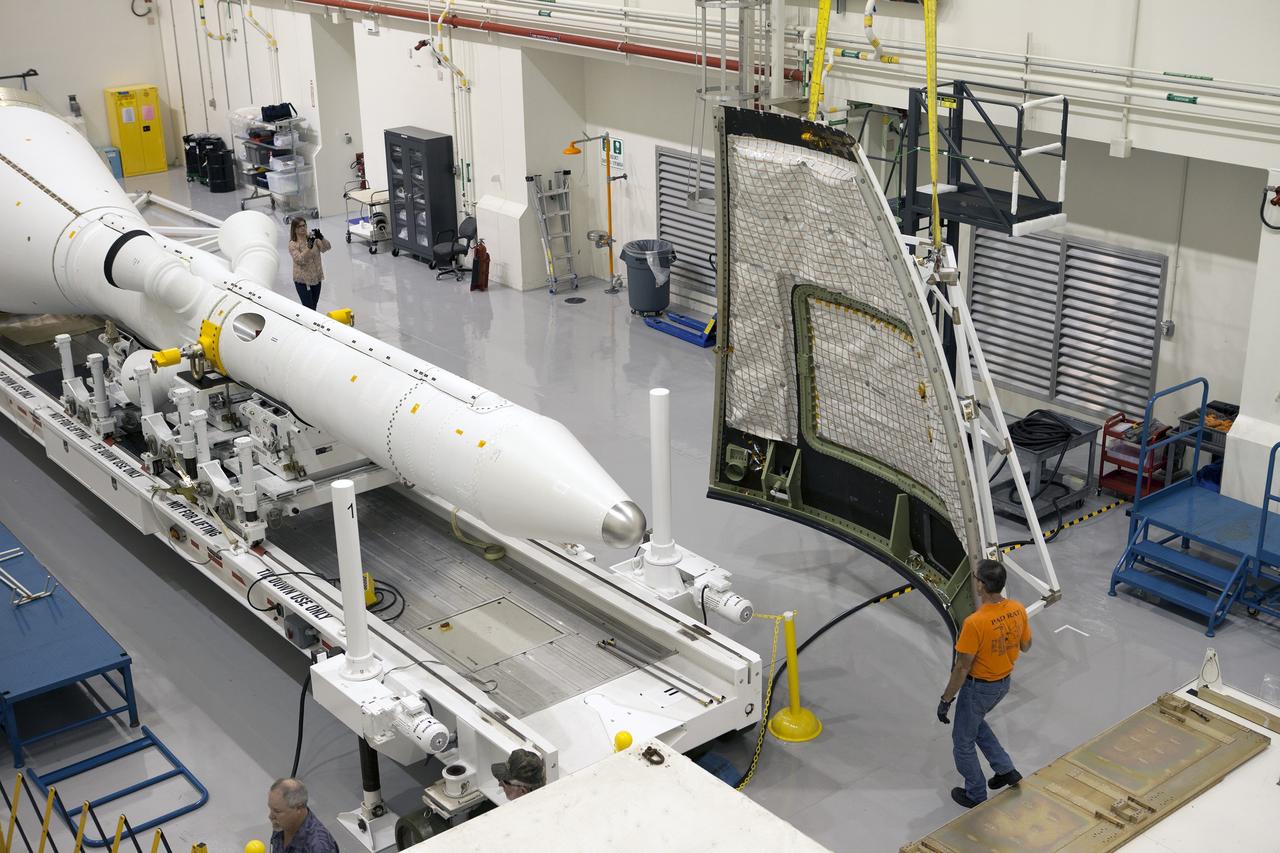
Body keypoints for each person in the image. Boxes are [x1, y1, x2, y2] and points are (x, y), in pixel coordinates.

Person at [936, 559, 1032, 809]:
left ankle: (975, 793)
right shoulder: (1017, 609)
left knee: (963, 741)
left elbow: (962, 667)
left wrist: (946, 699)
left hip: (979, 688)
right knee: (975, 724)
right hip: (1003, 684)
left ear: (981, 585)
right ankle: (1006, 769)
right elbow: (1026, 645)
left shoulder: (975, 623)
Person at [266, 778, 338, 853]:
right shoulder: (281, 824)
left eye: (277, 811)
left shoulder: (319, 848)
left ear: (298, 808)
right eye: (271, 808)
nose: (270, 816)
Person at [288, 217, 330, 311]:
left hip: (316, 278)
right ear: (294, 229)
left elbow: (326, 248)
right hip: (303, 281)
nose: (303, 228)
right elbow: (299, 260)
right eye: (299, 226)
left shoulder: (313, 239)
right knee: (309, 308)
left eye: (304, 225)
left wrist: (321, 238)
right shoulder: (293, 244)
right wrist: (309, 247)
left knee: (314, 306)